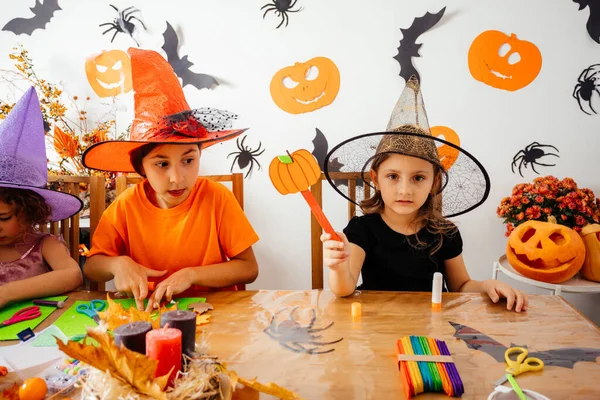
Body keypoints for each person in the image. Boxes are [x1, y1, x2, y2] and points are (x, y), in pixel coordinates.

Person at [321, 76, 528, 312]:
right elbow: (344, 288)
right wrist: (338, 267)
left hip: (432, 332)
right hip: (376, 330)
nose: (405, 190)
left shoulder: (445, 234)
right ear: (376, 178)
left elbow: (461, 286)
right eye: (393, 176)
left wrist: (487, 285)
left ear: (434, 181)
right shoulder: (362, 229)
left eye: (418, 178)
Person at [82, 48, 259, 311]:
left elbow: (249, 269)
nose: (177, 178)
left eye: (188, 160)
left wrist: (192, 275)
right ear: (141, 168)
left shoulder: (217, 197)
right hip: (148, 315)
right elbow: (94, 266)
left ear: (200, 155)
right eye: (162, 164)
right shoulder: (127, 204)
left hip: (216, 315)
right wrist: (117, 264)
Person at [0, 87, 84, 309]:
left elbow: (73, 275)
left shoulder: (44, 245)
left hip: (41, 330)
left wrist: (6, 293)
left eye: (4, 218)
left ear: (29, 213)